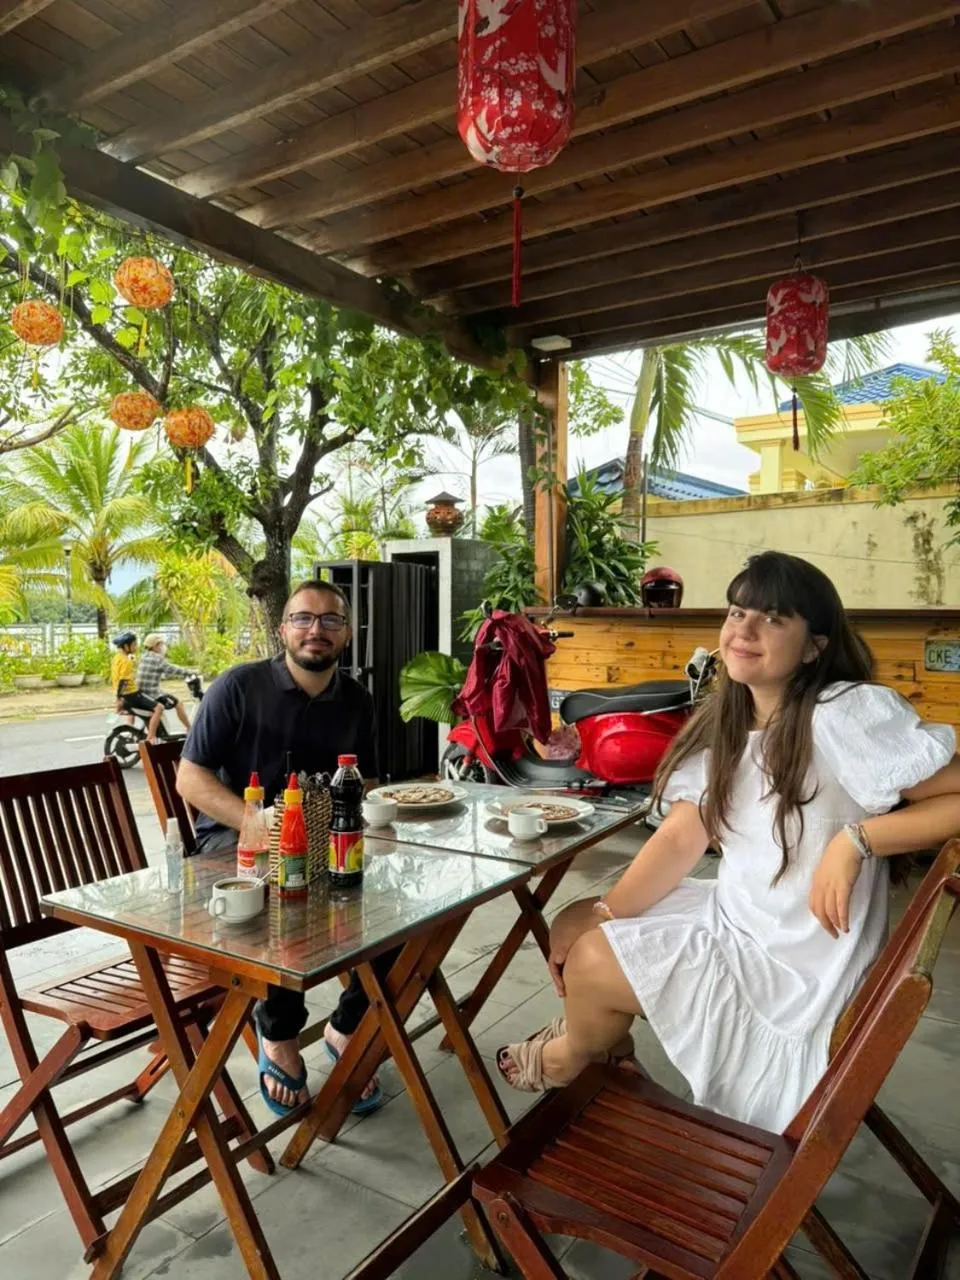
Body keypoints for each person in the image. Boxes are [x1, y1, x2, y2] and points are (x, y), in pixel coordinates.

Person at [497, 551, 960, 1132]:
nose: (744, 629)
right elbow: (681, 838)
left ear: (814, 645)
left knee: (591, 961)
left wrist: (858, 839)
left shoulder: (843, 712)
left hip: (796, 961)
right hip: (737, 916)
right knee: (581, 925)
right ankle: (606, 1052)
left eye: (772, 618)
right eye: (738, 612)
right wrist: (603, 909)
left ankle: (576, 1055)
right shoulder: (728, 722)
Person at [176, 580, 389, 1117]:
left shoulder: (358, 700)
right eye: (303, 618)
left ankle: (347, 1027)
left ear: (346, 634)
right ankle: (278, 1034)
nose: (315, 629)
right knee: (283, 894)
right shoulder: (239, 687)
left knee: (406, 912)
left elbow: (360, 782)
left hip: (322, 841)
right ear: (283, 628)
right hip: (236, 843)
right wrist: (258, 823)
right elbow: (191, 779)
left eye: (330, 620)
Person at [110, 631, 163, 745]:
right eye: (134, 644)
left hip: (125, 695)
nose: (136, 646)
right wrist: (119, 699)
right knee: (159, 708)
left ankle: (131, 730)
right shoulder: (126, 661)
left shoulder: (116, 658)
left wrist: (118, 697)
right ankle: (151, 738)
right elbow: (123, 681)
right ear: (126, 646)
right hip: (132, 694)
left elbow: (117, 679)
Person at [137, 634, 194, 731]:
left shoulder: (144, 656)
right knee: (178, 704)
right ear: (155, 646)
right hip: (153, 694)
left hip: (142, 693)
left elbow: (159, 671)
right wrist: (189, 672)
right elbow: (172, 669)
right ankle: (190, 728)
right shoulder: (157, 659)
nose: (162, 647)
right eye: (160, 644)